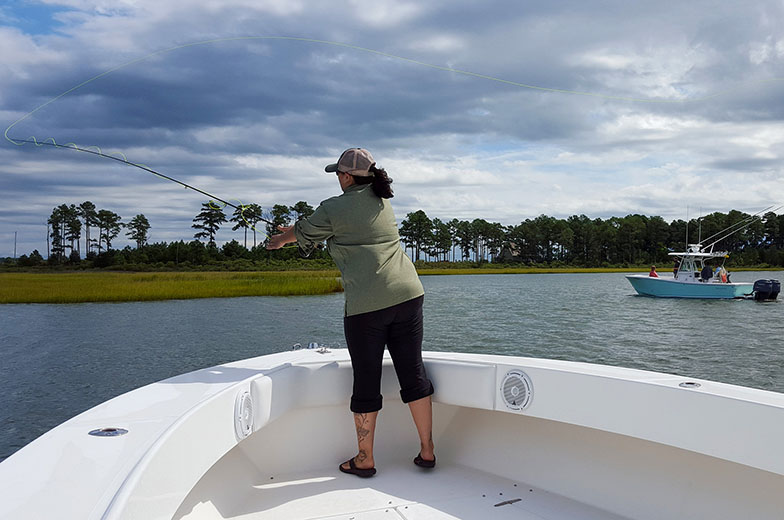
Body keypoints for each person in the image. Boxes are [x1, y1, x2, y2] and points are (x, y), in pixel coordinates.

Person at [266, 148, 435, 478]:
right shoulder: (382, 200)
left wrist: (278, 241)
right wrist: (300, 230)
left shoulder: (333, 207)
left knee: (367, 379)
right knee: (413, 371)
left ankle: (364, 459)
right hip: (409, 294)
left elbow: (302, 232)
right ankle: (428, 451)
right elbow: (321, 228)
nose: (337, 179)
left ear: (346, 176)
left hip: (366, 307)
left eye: (338, 174)